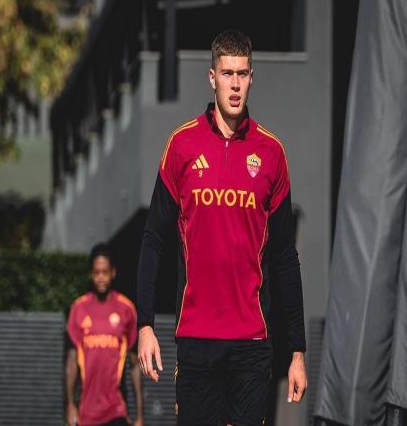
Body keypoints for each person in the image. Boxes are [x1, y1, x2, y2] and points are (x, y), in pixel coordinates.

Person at [136, 29, 307, 425]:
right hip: (197, 339)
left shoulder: (271, 153)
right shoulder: (181, 146)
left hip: (252, 343)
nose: (235, 84)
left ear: (252, 78)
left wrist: (297, 351)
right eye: (227, 73)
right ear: (212, 77)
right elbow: (153, 238)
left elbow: (285, 257)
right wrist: (144, 324)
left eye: (242, 74)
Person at [66, 243, 144, 426]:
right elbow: (71, 362)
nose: (101, 277)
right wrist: (70, 404)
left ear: (113, 273)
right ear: (91, 274)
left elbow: (134, 365)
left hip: (116, 410)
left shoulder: (126, 309)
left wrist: (140, 415)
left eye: (105, 272)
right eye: (96, 272)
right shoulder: (78, 308)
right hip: (86, 412)